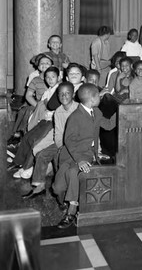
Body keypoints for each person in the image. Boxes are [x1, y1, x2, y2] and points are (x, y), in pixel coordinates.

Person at [52, 84, 116, 228]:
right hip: (69, 154)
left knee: (73, 173)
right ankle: (65, 200)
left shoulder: (97, 112)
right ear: (92, 99)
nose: (100, 98)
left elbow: (109, 125)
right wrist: (79, 160)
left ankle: (72, 211)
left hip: (86, 153)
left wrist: (123, 111)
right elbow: (68, 140)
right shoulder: (75, 116)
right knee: (57, 188)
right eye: (98, 96)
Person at [23, 82, 79, 199]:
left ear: (73, 94)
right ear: (57, 96)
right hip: (61, 142)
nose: (64, 96)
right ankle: (40, 186)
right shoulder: (58, 111)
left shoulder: (78, 109)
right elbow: (58, 132)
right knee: (41, 155)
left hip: (75, 144)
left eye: (67, 93)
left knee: (59, 161)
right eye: (61, 94)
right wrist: (59, 147)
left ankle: (64, 196)